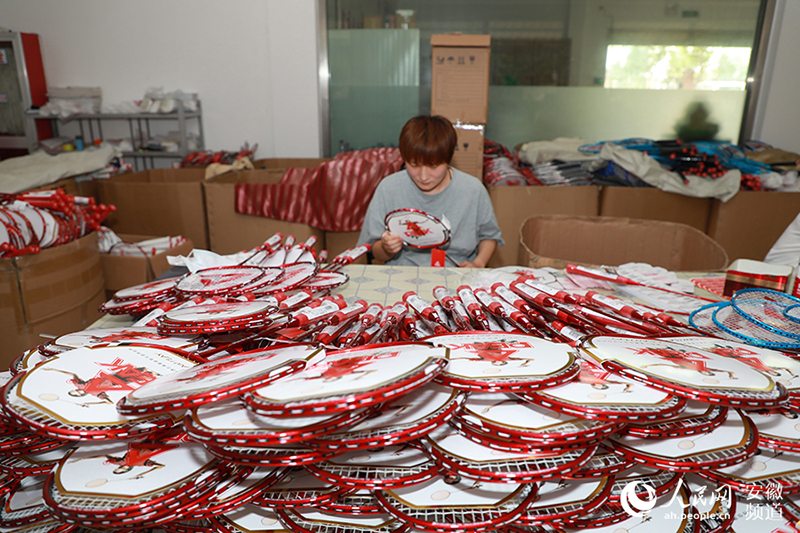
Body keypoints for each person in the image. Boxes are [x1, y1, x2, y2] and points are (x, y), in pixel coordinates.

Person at [358, 115, 503, 267]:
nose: (424, 176)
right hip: (402, 274)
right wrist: (386, 248)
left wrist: (478, 264)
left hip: (456, 272)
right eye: (414, 165)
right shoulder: (388, 188)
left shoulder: (473, 190)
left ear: (448, 159)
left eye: (433, 166)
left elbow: (489, 236)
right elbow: (373, 251)